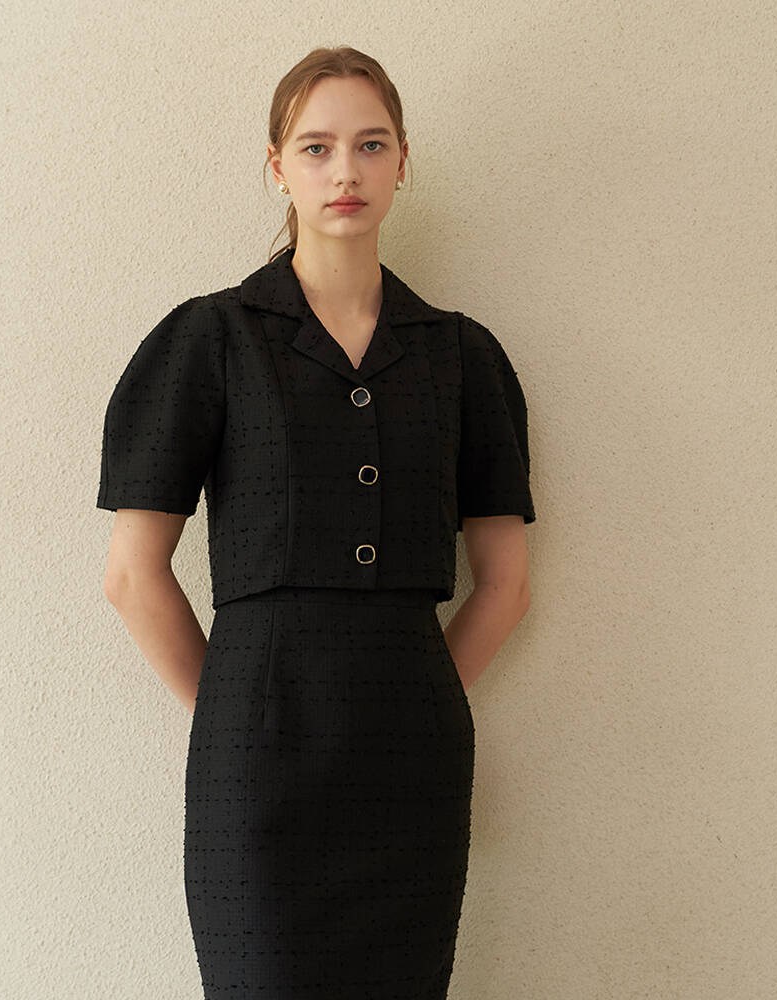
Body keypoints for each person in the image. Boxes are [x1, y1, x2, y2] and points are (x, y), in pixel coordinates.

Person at [97, 45, 536, 1000]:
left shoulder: (461, 357)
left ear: (403, 161)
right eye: (317, 147)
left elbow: (505, 582)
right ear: (277, 166)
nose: (346, 171)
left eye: (371, 145)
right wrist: (238, 713)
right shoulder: (210, 340)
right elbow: (132, 575)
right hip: (256, 761)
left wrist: (413, 701)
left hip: (412, 763)